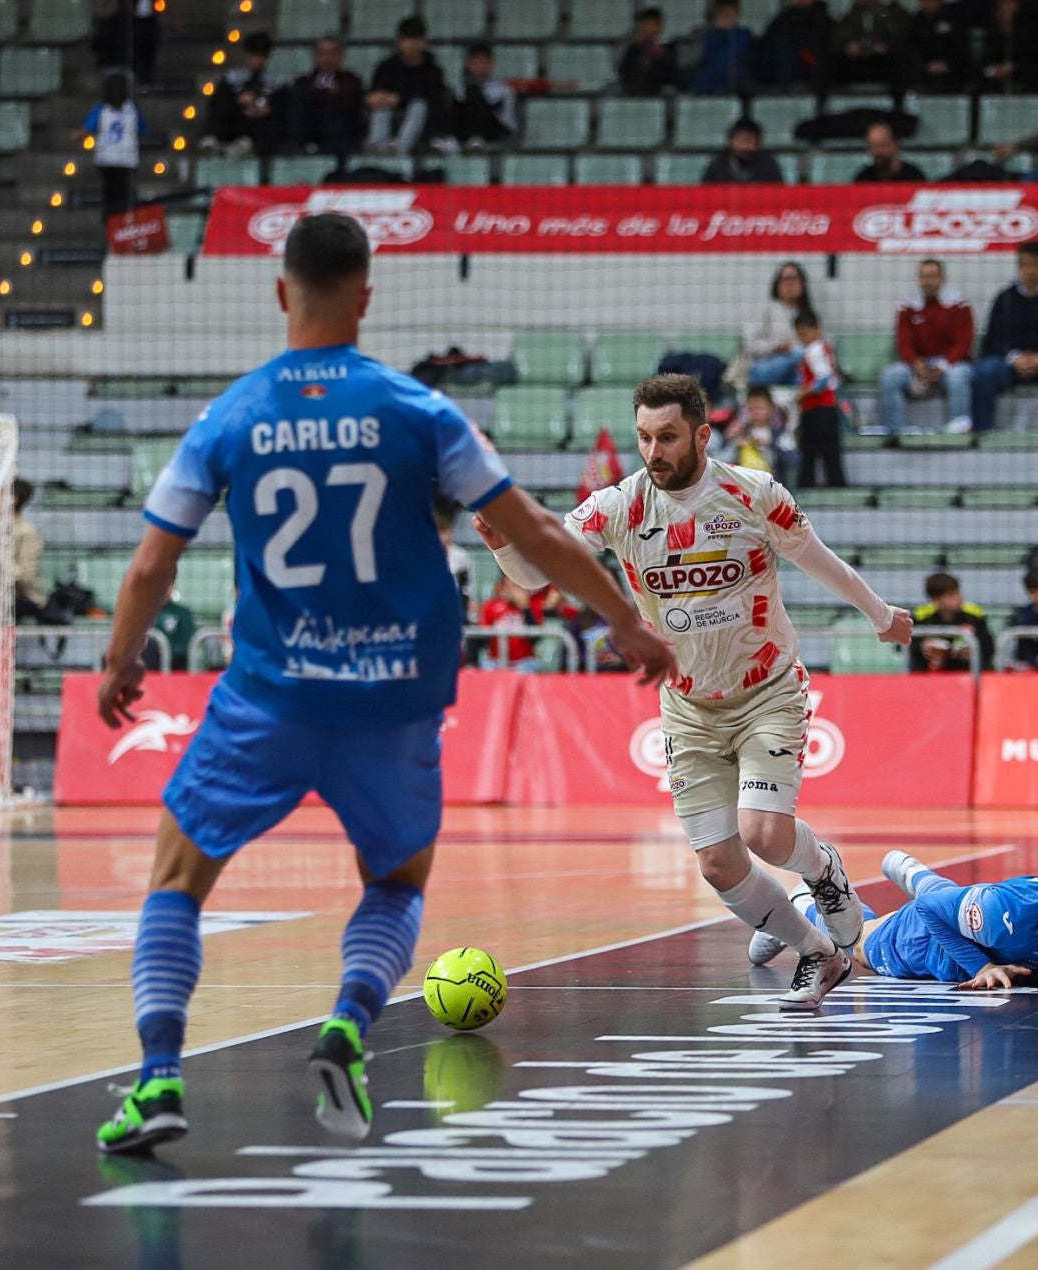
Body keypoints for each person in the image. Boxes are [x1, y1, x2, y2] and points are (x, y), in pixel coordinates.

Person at [92, 212, 674, 1153]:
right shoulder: (422, 413)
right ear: (367, 297)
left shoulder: (232, 413)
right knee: (396, 884)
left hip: (271, 697)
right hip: (397, 703)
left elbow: (153, 565)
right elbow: (534, 534)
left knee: (176, 878)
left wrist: (122, 659)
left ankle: (159, 1076)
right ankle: (346, 1028)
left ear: (282, 292)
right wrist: (622, 620)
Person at [474, 372, 913, 1009]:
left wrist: (880, 615)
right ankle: (818, 955)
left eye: (669, 438)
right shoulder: (619, 506)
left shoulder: (753, 493)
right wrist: (503, 549)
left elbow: (819, 559)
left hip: (766, 690)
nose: (654, 453)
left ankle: (824, 873)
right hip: (686, 708)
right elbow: (537, 572)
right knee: (717, 863)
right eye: (645, 439)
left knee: (763, 833)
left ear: (702, 435)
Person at [750, 841, 1038, 991]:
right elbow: (928, 915)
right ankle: (799, 904)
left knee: (956, 901)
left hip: (975, 912)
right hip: (932, 943)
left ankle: (916, 873)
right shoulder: (1016, 914)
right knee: (859, 944)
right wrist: (982, 967)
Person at [971, 241, 1038, 434]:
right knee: (985, 371)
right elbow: (992, 341)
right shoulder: (1005, 298)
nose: (1030, 270)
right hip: (1011, 365)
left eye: (1035, 264)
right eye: (1025, 265)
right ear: (1019, 267)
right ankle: (982, 432)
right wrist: (1015, 358)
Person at [877, 258, 974, 437]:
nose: (928, 281)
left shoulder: (959, 305)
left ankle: (959, 433)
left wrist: (943, 366)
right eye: (924, 277)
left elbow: (963, 344)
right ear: (919, 279)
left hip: (950, 365)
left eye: (932, 276)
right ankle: (894, 435)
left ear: (942, 278)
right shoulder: (907, 306)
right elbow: (903, 343)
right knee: (891, 376)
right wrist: (916, 364)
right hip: (918, 365)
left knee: (959, 376)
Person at [366, 18, 452, 156]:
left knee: (418, 105)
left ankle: (399, 148)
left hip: (420, 122)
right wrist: (379, 98)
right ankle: (378, 146)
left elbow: (433, 99)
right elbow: (375, 92)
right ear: (400, 41)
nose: (411, 44)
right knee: (380, 107)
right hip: (391, 117)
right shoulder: (386, 67)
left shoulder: (433, 70)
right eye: (407, 39)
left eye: (415, 39)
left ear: (424, 41)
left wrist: (399, 99)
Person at [205, 30, 285, 156]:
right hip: (235, 125)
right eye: (254, 56)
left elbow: (278, 108)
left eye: (260, 56)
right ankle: (216, 139)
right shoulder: (232, 79)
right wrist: (239, 101)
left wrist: (263, 109)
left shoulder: (277, 83)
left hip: (261, 130)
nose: (256, 61)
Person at [77, 74, 146, 218]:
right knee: (125, 195)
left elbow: (88, 128)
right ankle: (124, 225)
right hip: (128, 160)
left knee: (110, 196)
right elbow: (143, 129)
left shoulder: (101, 109)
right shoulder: (133, 109)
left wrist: (77, 135)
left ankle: (110, 226)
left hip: (107, 159)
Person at [793, 310, 846, 488]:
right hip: (824, 408)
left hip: (818, 409)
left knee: (811, 450)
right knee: (829, 451)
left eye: (805, 332)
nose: (803, 337)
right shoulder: (824, 348)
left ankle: (807, 485)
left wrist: (802, 394)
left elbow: (822, 379)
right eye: (799, 334)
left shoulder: (814, 349)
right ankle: (836, 484)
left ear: (817, 329)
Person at [292, 37, 365, 158]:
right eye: (322, 54)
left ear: (341, 56)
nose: (326, 58)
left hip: (342, 139)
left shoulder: (352, 81)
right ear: (315, 56)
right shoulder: (302, 82)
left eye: (331, 53)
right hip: (308, 134)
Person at [743, 261, 813, 387]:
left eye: (795, 278)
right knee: (800, 356)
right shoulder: (765, 309)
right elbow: (750, 345)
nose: (791, 283)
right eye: (786, 278)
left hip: (796, 370)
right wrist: (777, 347)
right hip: (766, 368)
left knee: (809, 369)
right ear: (777, 284)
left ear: (803, 283)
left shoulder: (808, 314)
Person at [909, 572, 994, 672]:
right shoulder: (921, 617)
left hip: (967, 673)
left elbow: (989, 648)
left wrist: (971, 651)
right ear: (936, 599)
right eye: (951, 595)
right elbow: (903, 646)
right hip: (929, 675)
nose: (958, 598)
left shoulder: (974, 615)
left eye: (958, 592)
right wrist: (922, 647)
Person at [452, 44, 518, 150]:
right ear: (468, 64)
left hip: (494, 129)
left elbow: (508, 121)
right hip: (465, 129)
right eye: (476, 63)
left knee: (475, 95)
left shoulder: (503, 90)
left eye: (484, 63)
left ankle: (477, 138)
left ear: (492, 64)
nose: (480, 67)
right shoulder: (459, 89)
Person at [831, 0, 908, 90]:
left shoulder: (892, 13)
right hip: (854, 61)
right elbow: (838, 36)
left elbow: (901, 34)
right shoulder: (849, 15)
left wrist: (887, 45)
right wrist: (848, 45)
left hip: (885, 60)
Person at [757, 0, 833, 90]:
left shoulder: (821, 18)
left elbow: (820, 49)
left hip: (809, 60)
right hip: (780, 62)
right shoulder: (783, 17)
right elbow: (765, 42)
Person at [979, 0, 1038, 94]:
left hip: (1023, 85)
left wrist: (1011, 68)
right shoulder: (989, 35)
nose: (1008, 8)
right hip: (992, 87)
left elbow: (1033, 63)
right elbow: (983, 66)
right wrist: (992, 71)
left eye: (1011, 4)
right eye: (1004, 4)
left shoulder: (1027, 36)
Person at [692, 0, 756, 95]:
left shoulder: (744, 35)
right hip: (709, 88)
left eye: (731, 15)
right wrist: (717, 31)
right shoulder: (706, 36)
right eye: (723, 15)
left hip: (739, 88)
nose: (728, 19)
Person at [909, 0, 971, 93]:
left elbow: (960, 47)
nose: (929, 3)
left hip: (952, 72)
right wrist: (925, 66)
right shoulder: (915, 22)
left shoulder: (954, 19)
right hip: (923, 72)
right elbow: (910, 48)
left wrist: (948, 65)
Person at [701, 118, 785, 184]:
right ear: (730, 141)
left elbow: (778, 191)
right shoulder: (718, 163)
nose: (745, 147)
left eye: (749, 141)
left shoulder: (767, 163)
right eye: (741, 141)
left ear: (758, 144)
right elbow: (706, 191)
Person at [619, 7, 679, 95]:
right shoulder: (633, 48)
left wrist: (660, 55)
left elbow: (673, 73)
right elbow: (624, 71)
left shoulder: (669, 47)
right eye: (644, 24)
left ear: (659, 26)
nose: (646, 28)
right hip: (636, 91)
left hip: (659, 91)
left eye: (650, 24)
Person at [10, 478, 47, 622]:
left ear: (14, 500)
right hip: (0, 594)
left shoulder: (27, 532)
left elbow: (26, 575)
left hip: (25, 597)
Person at [853, 120, 925, 182]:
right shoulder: (864, 179)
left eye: (883, 145)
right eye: (873, 146)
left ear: (895, 144)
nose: (878, 152)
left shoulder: (914, 177)